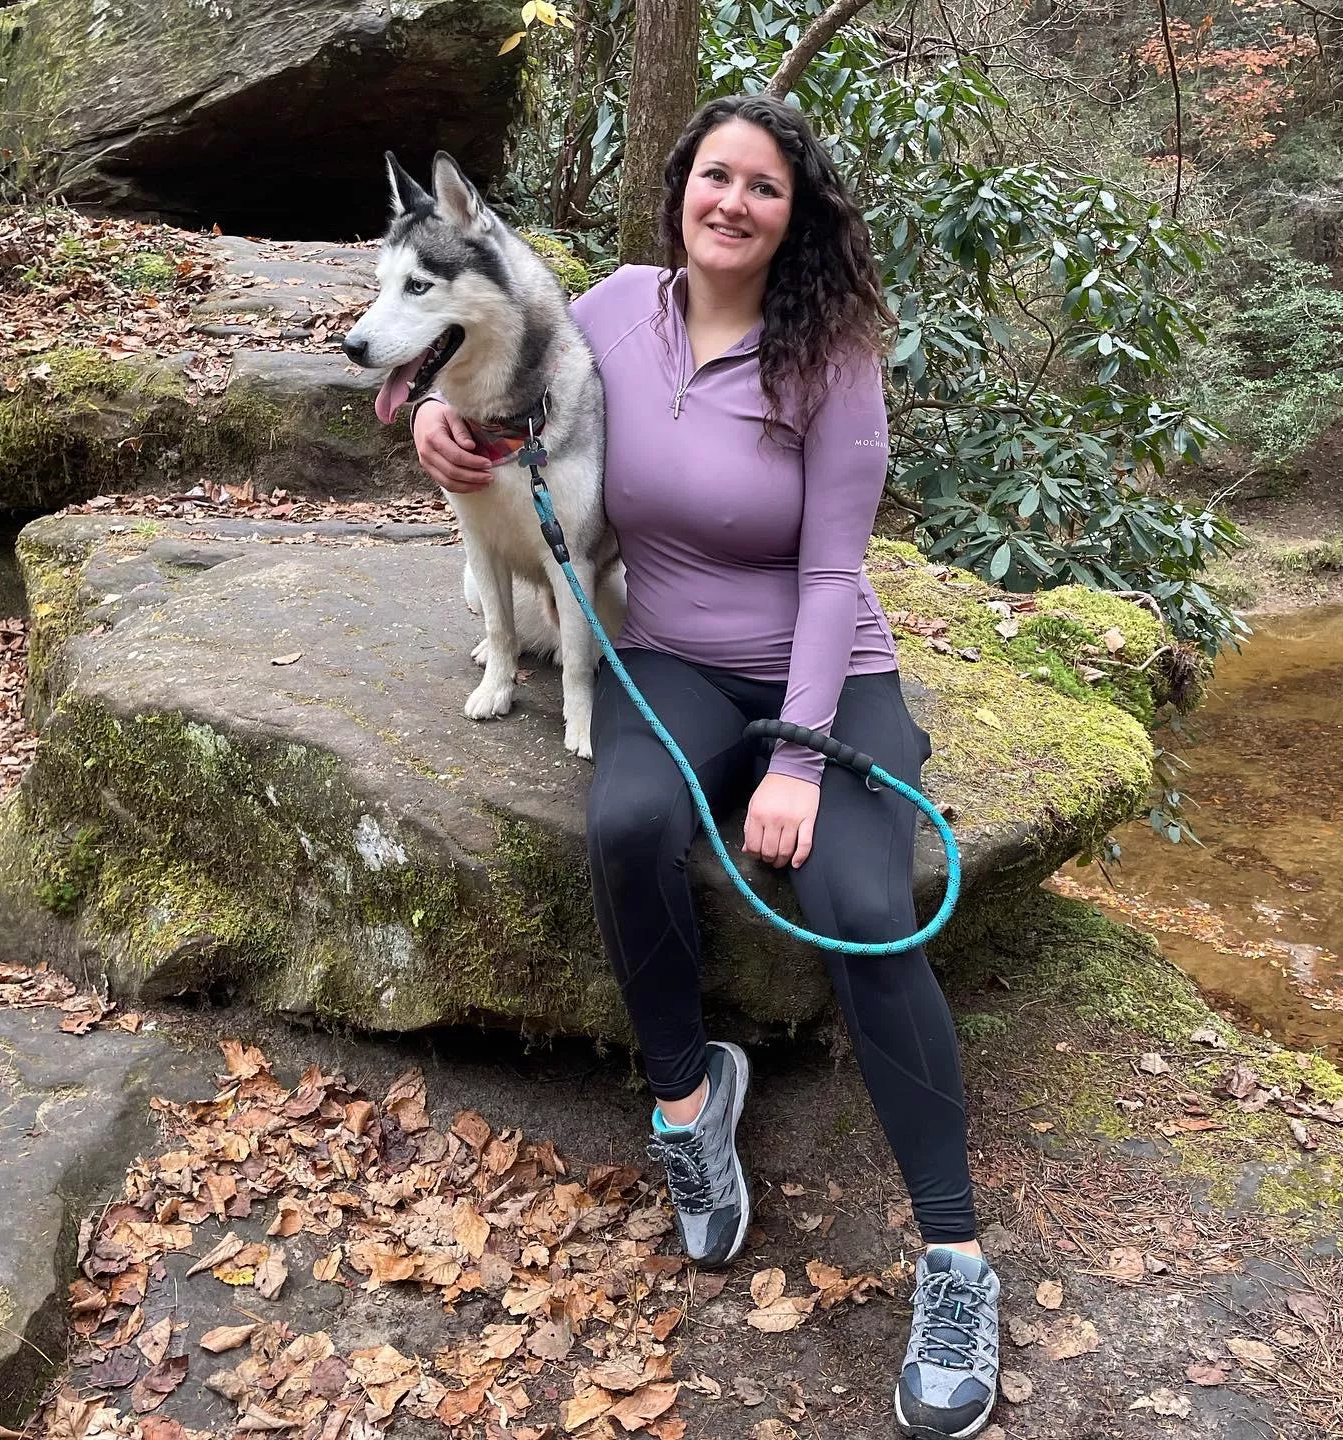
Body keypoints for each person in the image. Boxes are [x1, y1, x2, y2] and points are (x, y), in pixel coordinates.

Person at [412, 93, 1001, 1440]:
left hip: (826, 668)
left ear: (797, 217)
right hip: (665, 655)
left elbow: (836, 568)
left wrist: (794, 759)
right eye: (715, 176)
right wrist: (442, 436)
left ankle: (957, 1261)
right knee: (623, 824)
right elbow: (499, 384)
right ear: (680, 186)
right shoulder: (617, 306)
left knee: (864, 909)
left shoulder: (833, 353)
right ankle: (691, 1098)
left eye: (766, 187)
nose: (733, 201)